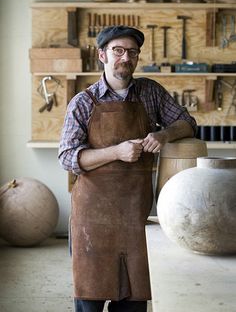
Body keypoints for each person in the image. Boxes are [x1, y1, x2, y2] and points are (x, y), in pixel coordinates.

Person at [58, 25, 197, 312]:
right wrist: (116, 152)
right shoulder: (83, 103)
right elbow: (68, 158)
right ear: (102, 55)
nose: (125, 57)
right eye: (117, 50)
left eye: (132, 52)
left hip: (135, 215)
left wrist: (163, 135)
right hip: (92, 220)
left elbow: (187, 122)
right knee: (90, 297)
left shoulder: (150, 93)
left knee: (134, 299)